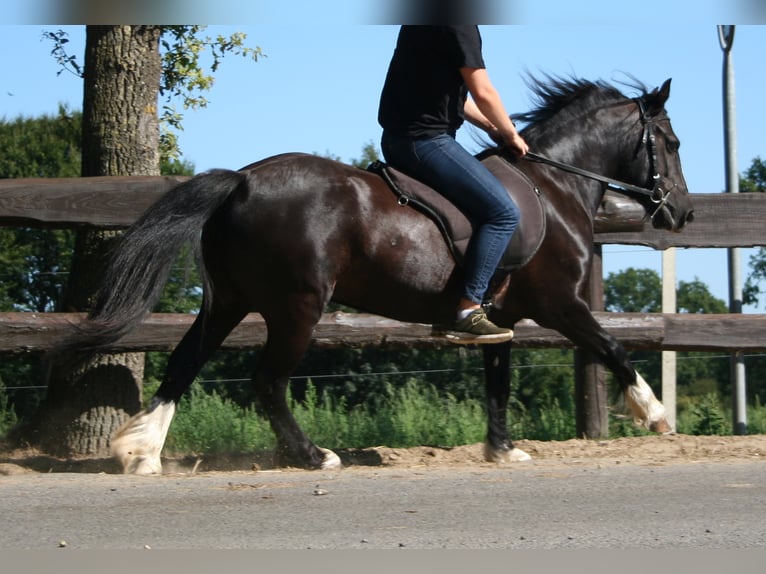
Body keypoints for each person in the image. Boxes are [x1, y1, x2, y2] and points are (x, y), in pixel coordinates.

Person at [378, 25, 529, 344]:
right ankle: (469, 309)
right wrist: (512, 134)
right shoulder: (460, 25)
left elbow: (449, 95)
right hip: (427, 142)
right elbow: (483, 91)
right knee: (502, 214)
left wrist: (492, 126)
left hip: (397, 140)